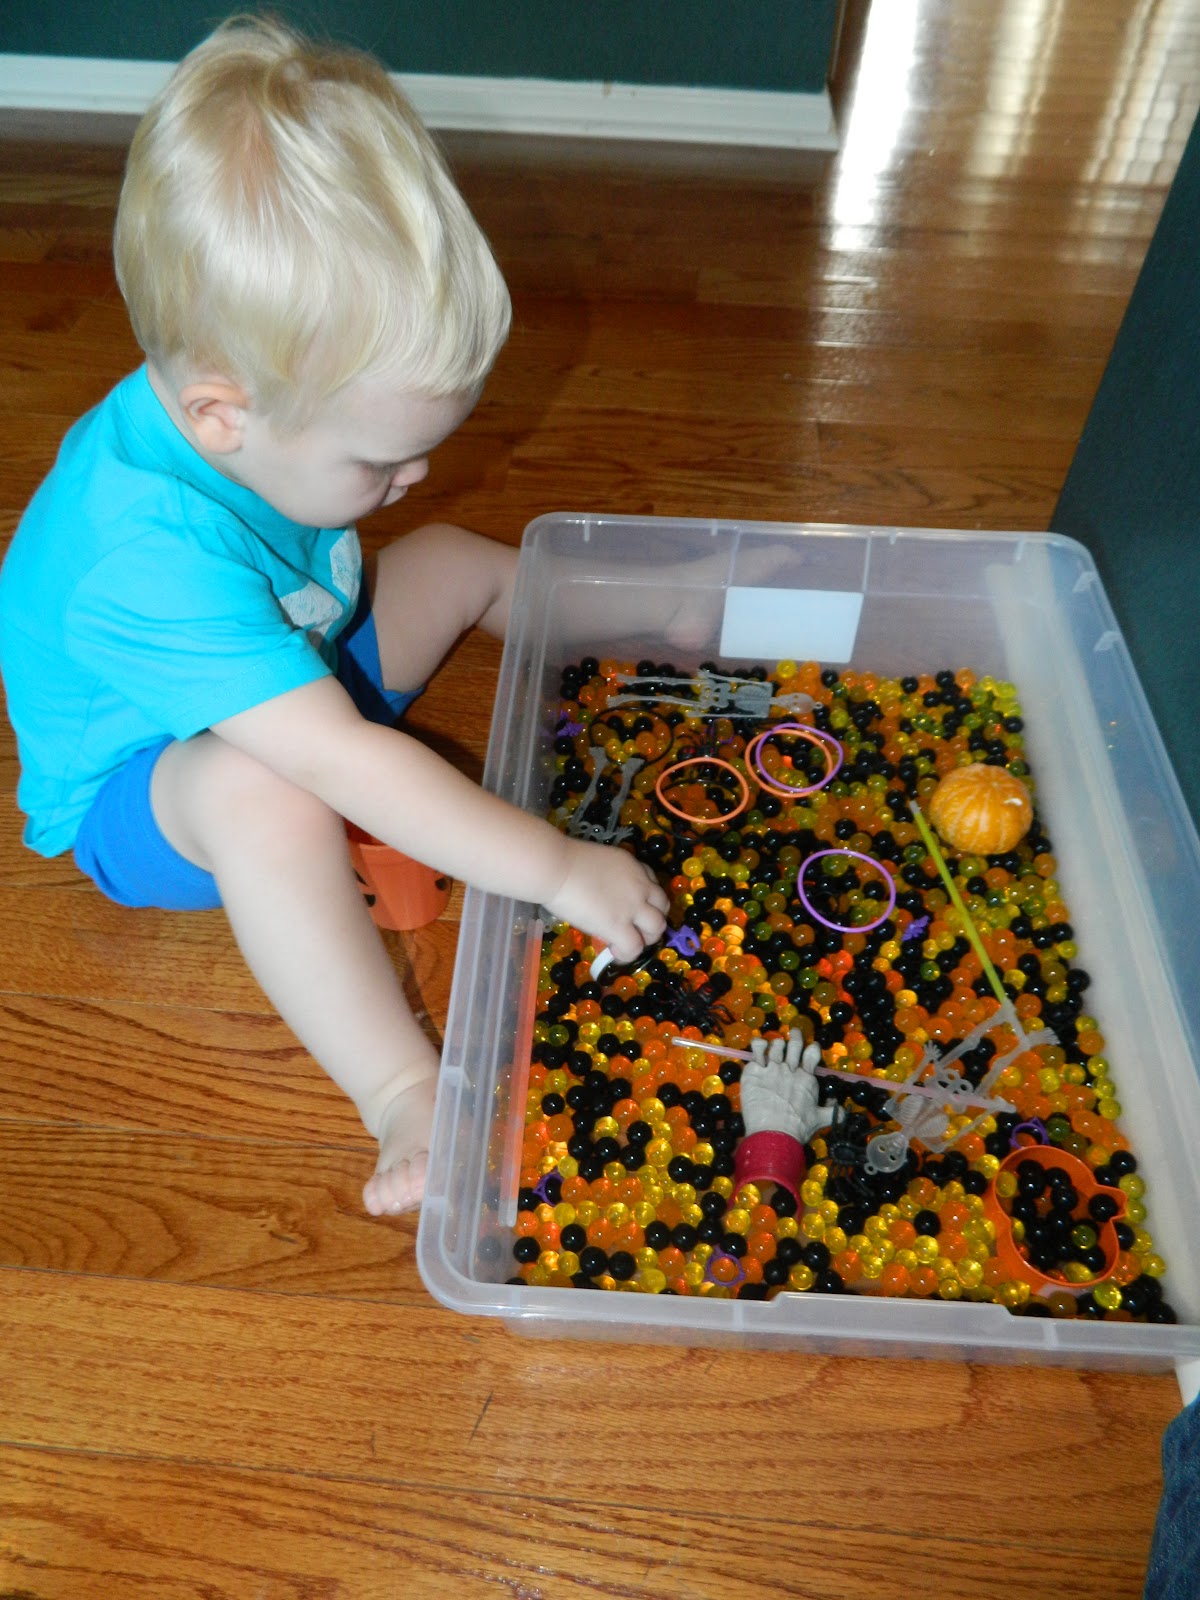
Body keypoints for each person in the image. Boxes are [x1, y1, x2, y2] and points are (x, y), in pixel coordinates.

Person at [0, 17, 667, 1218]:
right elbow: (346, 761)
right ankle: (400, 1087)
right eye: (381, 461)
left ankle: (660, 628)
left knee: (449, 558)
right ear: (220, 416)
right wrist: (557, 867)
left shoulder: (244, 411)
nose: (413, 477)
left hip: (293, 648)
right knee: (267, 785)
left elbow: (350, 648)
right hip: (148, 791)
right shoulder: (135, 556)